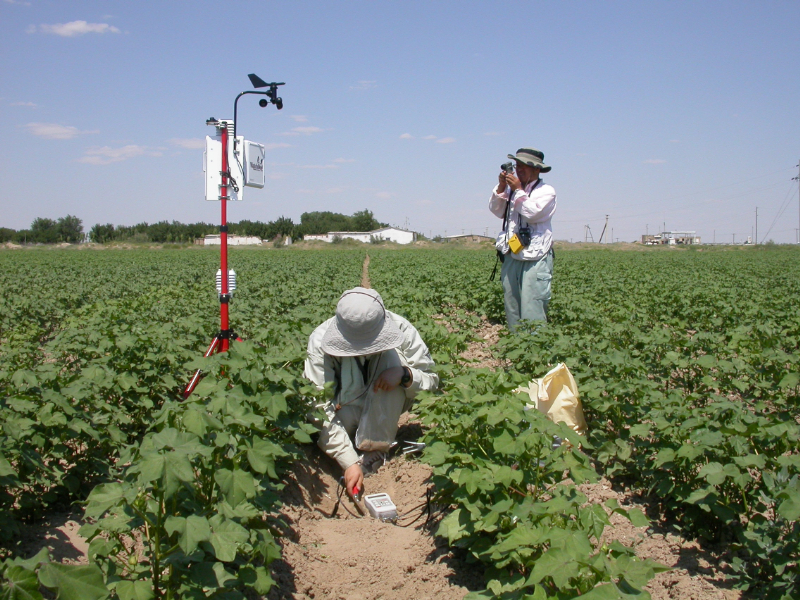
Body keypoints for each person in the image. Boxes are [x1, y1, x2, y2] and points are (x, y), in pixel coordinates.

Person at [304, 287, 439, 498]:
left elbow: (431, 381)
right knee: (327, 409)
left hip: (385, 412)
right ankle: (351, 449)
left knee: (392, 360)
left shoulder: (403, 328)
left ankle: (376, 448)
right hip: (344, 417)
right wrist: (348, 461)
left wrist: (404, 375)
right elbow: (318, 406)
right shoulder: (320, 340)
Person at [489, 147, 557, 331]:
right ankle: (518, 349)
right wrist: (502, 187)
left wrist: (518, 190)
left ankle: (537, 353)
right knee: (512, 305)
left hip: (536, 256)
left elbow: (532, 213)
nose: (519, 170)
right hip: (512, 253)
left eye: (524, 167)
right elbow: (496, 210)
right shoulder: (511, 190)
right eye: (517, 166)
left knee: (532, 307)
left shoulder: (546, 191)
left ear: (537, 169)